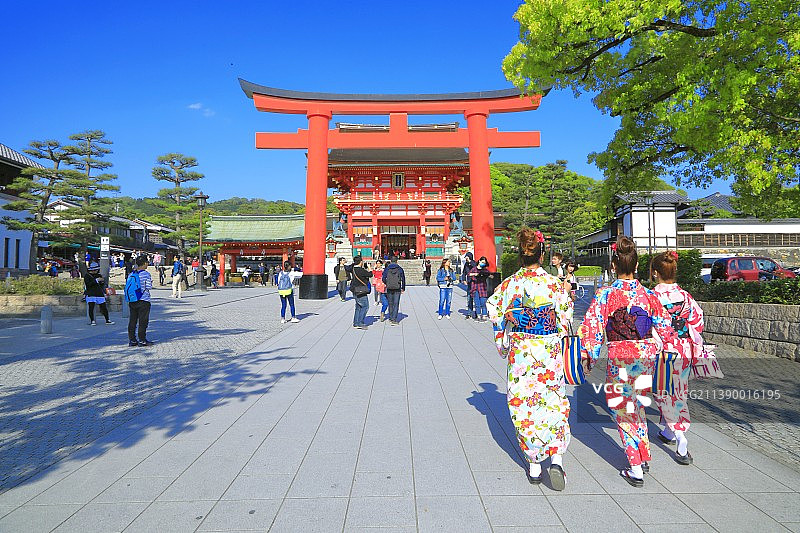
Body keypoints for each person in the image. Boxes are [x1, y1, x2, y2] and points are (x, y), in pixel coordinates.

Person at [578, 236, 677, 488]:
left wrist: (588, 359)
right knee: (637, 404)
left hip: (620, 355)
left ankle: (635, 467)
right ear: (636, 266)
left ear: (613, 266)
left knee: (622, 408)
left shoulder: (606, 294)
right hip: (646, 356)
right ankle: (642, 454)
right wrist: (673, 351)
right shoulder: (648, 295)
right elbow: (666, 327)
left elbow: (592, 329)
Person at [487, 228, 574, 489]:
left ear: (520, 255)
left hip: (522, 351)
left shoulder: (510, 284)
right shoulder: (554, 284)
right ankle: (556, 458)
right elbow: (565, 315)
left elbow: (494, 308)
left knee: (523, 404)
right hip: (548, 350)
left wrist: (506, 330)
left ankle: (535, 465)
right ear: (542, 254)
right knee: (553, 400)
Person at [652, 251, 704, 465]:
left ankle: (680, 435)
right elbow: (698, 320)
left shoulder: (652, 297)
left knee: (663, 391)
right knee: (679, 390)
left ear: (655, 273)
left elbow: (646, 324)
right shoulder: (685, 296)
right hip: (683, 348)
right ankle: (668, 431)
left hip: (662, 350)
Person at [125, 255, 153, 347]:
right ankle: (142, 340)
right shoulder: (146, 274)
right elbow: (149, 287)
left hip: (132, 300)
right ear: (144, 263)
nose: (147, 264)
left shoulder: (132, 274)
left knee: (132, 320)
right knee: (143, 321)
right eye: (147, 262)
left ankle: (132, 340)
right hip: (143, 300)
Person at [82, 261, 114, 326]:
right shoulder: (87, 276)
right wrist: (96, 280)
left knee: (103, 307)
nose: (96, 271)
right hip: (91, 293)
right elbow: (88, 285)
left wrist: (102, 282)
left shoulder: (99, 275)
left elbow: (102, 285)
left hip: (99, 293)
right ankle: (92, 320)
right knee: (91, 307)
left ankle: (107, 320)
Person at [347, 255, 373, 330]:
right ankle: (360, 322)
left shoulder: (353, 269)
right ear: (361, 262)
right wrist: (369, 268)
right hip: (361, 290)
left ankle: (356, 323)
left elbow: (348, 267)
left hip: (354, 289)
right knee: (365, 306)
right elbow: (370, 274)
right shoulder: (361, 270)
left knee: (358, 307)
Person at [382, 256, 405, 325]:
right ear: (397, 261)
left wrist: (387, 283)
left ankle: (390, 317)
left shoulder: (387, 269)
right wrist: (403, 288)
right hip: (397, 288)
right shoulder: (400, 269)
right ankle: (394, 319)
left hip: (389, 288)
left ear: (390, 261)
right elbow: (403, 279)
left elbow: (383, 278)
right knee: (396, 303)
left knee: (390, 303)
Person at [468, 256, 490, 321]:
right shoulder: (474, 269)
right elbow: (469, 274)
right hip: (475, 288)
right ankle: (478, 315)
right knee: (477, 303)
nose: (483, 264)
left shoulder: (485, 270)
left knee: (483, 302)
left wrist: (486, 275)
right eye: (482, 262)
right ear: (479, 261)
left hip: (482, 288)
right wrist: (475, 274)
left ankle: (484, 315)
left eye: (484, 263)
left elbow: (489, 274)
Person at [461, 252, 477, 319]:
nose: (466, 258)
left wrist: (470, 261)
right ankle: (469, 313)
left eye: (467, 257)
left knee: (476, 299)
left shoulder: (474, 263)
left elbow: (475, 268)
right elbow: (464, 272)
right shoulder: (466, 264)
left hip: (475, 283)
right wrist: (464, 280)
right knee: (469, 298)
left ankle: (477, 313)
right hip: (469, 283)